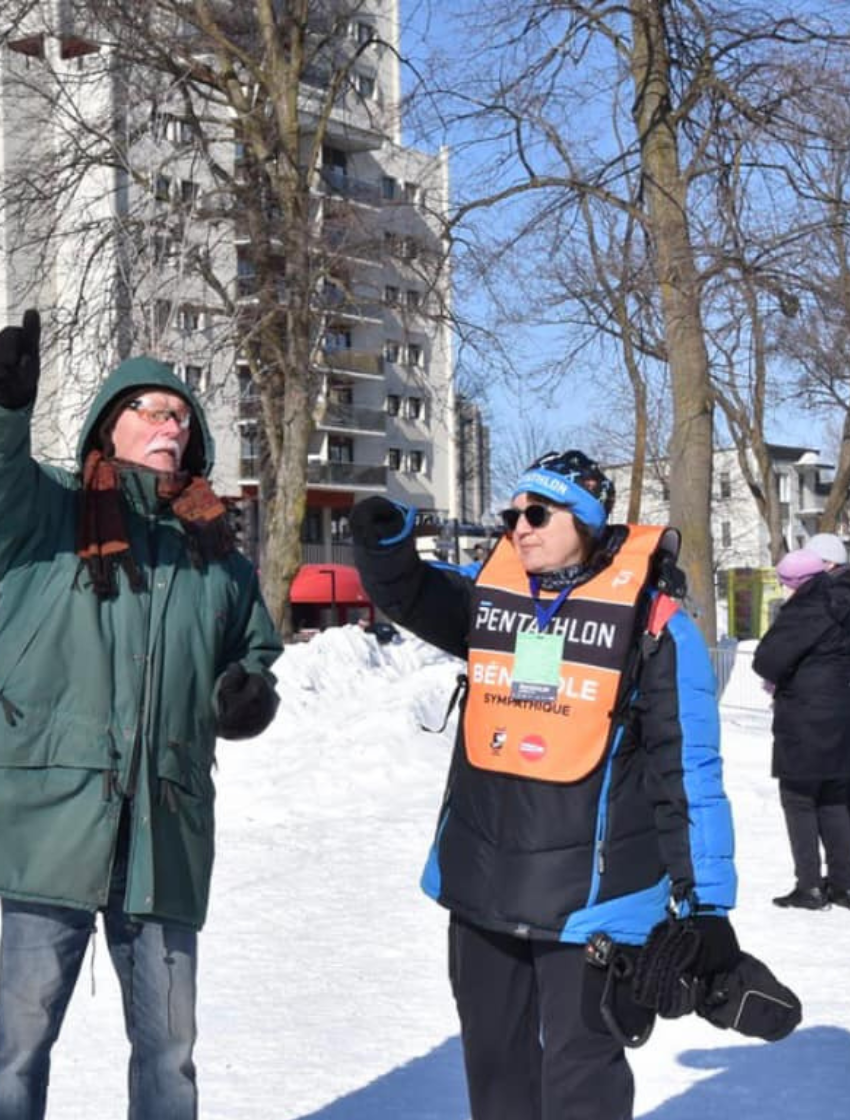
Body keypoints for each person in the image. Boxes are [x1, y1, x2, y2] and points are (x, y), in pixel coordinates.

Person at [350, 449, 791, 1120]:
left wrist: (705, 909)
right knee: (496, 1076)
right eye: (511, 515)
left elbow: (689, 773)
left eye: (537, 513)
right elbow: (410, 591)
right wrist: (383, 546)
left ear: (584, 520)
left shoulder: (655, 626)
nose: (518, 527)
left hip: (596, 904)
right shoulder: (489, 598)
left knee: (581, 1084)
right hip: (484, 890)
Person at [0, 310, 283, 1118]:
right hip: (51, 822)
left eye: (182, 416)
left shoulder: (213, 549)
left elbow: (253, 649)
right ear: (109, 426)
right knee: (15, 1050)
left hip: (163, 829)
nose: (173, 424)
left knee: (169, 1057)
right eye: (153, 411)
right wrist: (5, 411)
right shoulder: (47, 516)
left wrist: (250, 692)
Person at [753, 536, 850, 911]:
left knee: (799, 798)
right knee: (835, 797)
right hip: (841, 714)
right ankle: (843, 885)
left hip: (807, 717)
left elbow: (767, 659)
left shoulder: (809, 605)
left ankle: (809, 886)